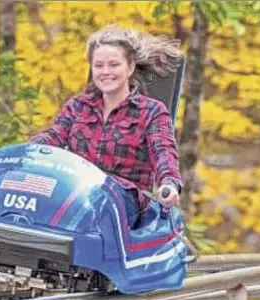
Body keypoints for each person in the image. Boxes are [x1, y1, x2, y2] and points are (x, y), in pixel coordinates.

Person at [27, 24, 184, 229]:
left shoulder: (152, 111)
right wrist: (27, 152)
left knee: (90, 207)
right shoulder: (78, 106)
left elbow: (163, 152)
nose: (105, 72)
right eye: (99, 65)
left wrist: (169, 184)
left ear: (130, 68)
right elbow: (54, 135)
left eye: (114, 65)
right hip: (74, 191)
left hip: (121, 199)